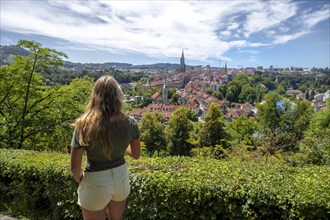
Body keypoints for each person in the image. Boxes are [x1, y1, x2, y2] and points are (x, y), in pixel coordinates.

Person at [70, 76, 141, 220]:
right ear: (118, 95)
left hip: (95, 179)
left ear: (95, 96)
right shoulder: (131, 123)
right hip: (121, 178)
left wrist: (83, 180)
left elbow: (74, 167)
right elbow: (135, 154)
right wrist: (121, 142)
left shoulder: (84, 125)